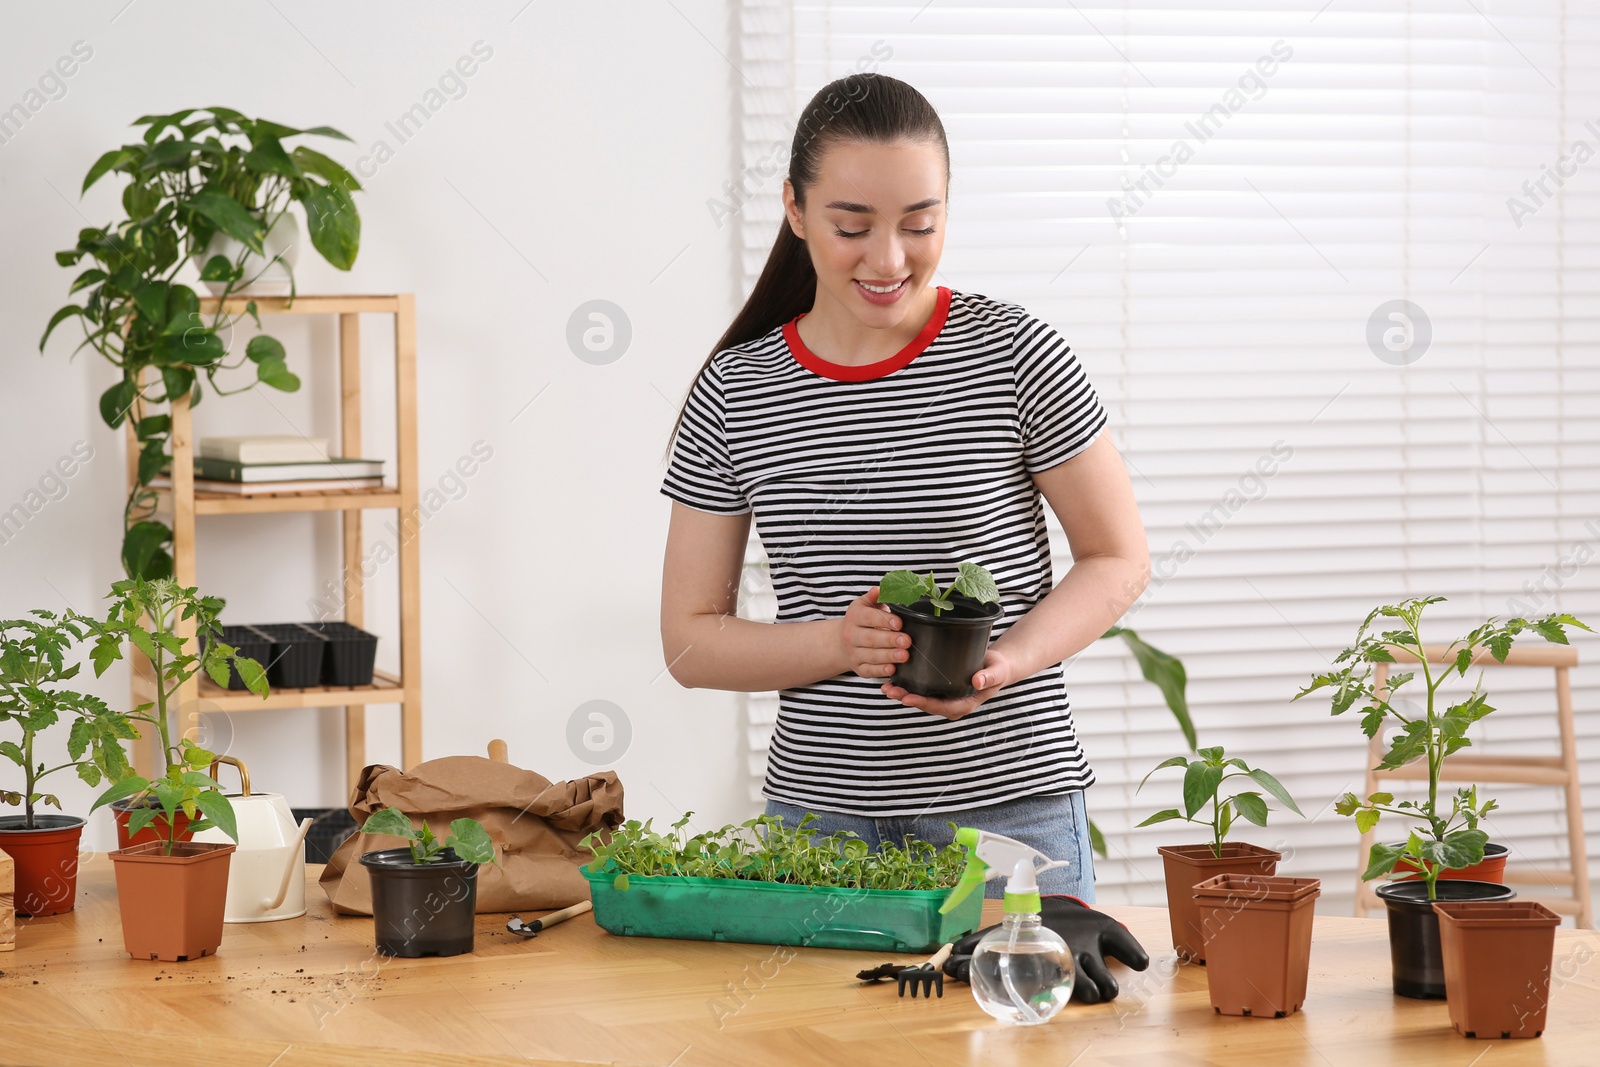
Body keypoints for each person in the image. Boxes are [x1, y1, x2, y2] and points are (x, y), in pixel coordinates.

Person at [659, 73, 1148, 900]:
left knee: (1018, 1022)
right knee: (822, 1037)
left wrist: (1009, 659)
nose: (889, 260)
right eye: (853, 226)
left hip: (1011, 810)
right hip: (822, 824)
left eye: (920, 225)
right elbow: (688, 640)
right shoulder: (736, 392)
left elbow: (1117, 557)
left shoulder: (1017, 354)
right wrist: (840, 644)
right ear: (794, 209)